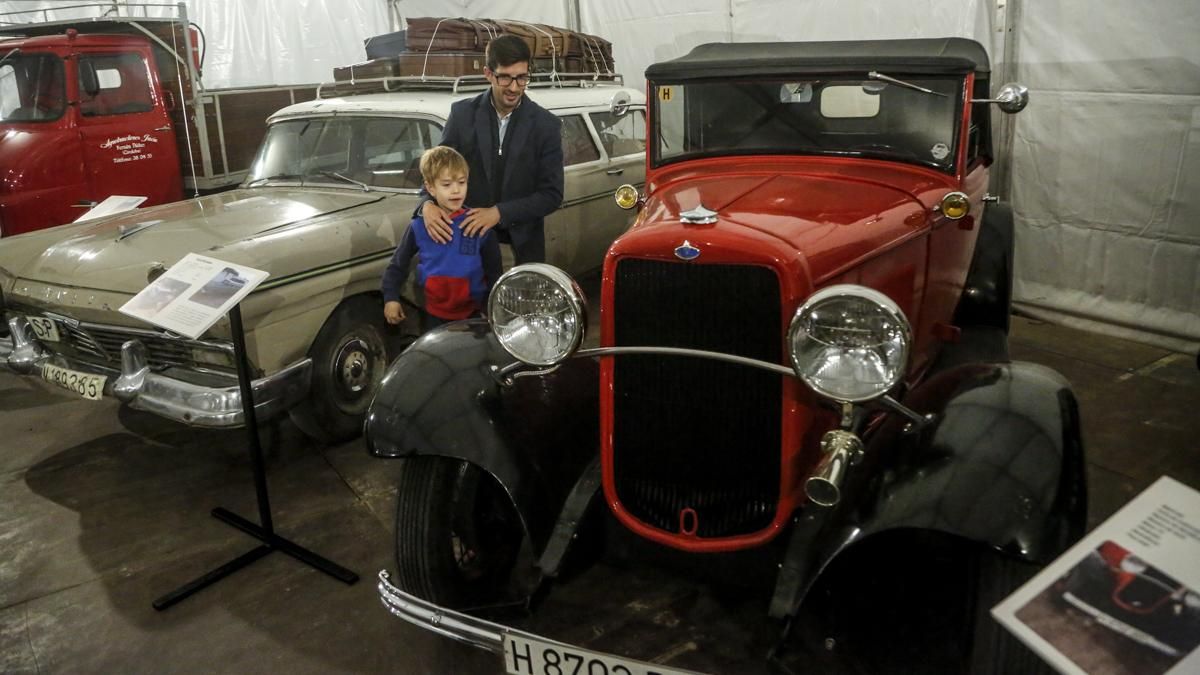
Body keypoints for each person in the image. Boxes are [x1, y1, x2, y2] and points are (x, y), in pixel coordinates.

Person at [420, 33, 564, 265]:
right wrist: (426, 204)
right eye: (505, 78)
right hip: (466, 245)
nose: (514, 88)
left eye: (522, 78)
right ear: (488, 73)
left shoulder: (546, 125)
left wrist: (499, 213)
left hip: (518, 251)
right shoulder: (462, 115)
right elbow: (437, 168)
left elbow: (552, 195)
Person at [383, 146, 501, 332]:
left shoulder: (479, 226)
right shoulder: (418, 226)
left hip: (475, 315)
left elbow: (494, 274)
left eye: (461, 182)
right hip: (432, 316)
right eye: (446, 185)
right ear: (430, 187)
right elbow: (397, 265)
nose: (456, 190)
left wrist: (490, 307)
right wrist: (391, 298)